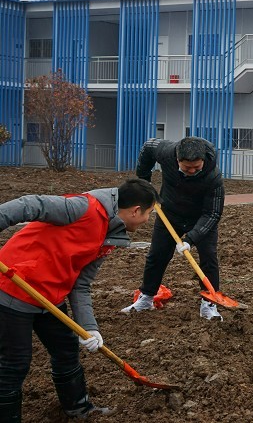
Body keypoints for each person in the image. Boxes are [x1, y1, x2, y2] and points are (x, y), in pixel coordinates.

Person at [0, 179, 158, 421]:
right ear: (136, 210)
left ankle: (78, 408)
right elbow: (30, 204)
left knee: (66, 349)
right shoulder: (83, 208)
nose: (147, 220)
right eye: (149, 213)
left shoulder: (111, 233)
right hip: (14, 290)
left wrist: (89, 327)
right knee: (15, 363)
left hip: (50, 297)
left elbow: (81, 284)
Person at [122, 136, 226, 320]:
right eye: (187, 168)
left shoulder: (214, 177)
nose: (192, 171)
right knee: (157, 255)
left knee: (209, 258)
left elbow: (213, 214)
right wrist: (144, 181)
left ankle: (209, 305)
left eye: (197, 168)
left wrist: (190, 239)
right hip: (170, 212)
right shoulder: (166, 152)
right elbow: (148, 147)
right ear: (177, 159)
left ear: (203, 160)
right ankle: (146, 298)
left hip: (200, 217)